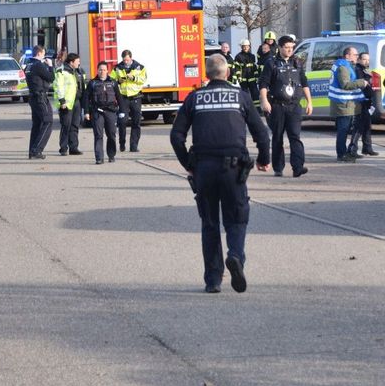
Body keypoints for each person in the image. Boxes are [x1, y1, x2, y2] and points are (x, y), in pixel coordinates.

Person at [170, 53, 270, 293]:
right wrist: (264, 160)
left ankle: (213, 280)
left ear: (206, 74)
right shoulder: (241, 97)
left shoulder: (194, 98)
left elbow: (176, 135)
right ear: (227, 73)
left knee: (210, 223)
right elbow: (262, 133)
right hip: (234, 169)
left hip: (203, 168)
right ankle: (235, 256)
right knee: (236, 218)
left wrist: (188, 164)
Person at [258, 35, 312, 177]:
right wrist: (264, 100)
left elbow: (304, 82)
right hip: (277, 106)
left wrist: (309, 102)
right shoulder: (272, 63)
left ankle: (298, 167)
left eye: (291, 48)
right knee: (277, 137)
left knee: (295, 136)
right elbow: (263, 84)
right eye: (287, 48)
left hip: (294, 106)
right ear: (280, 48)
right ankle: (278, 167)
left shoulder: (297, 63)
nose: (289, 50)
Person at [330, 46, 367, 162]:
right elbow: (345, 85)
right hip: (343, 103)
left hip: (346, 103)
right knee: (343, 130)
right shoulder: (343, 68)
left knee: (345, 129)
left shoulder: (345, 65)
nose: (357, 57)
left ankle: (346, 152)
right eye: (355, 55)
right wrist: (362, 83)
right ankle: (341, 154)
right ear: (347, 56)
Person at [85, 62, 122, 164]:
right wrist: (87, 112)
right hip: (97, 111)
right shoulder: (92, 83)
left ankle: (111, 155)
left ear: (107, 71)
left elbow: (119, 97)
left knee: (111, 134)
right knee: (98, 135)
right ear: (97, 70)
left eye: (104, 70)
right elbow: (86, 98)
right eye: (100, 70)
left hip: (110, 111)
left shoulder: (113, 82)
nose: (102, 72)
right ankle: (99, 158)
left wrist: (122, 111)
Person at [112, 49, 147, 152]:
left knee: (136, 122)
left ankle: (134, 146)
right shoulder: (117, 68)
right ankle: (122, 143)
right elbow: (111, 79)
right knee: (122, 122)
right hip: (123, 98)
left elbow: (143, 79)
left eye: (127, 60)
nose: (125, 62)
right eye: (124, 60)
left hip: (136, 97)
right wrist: (119, 80)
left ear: (131, 58)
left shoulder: (140, 67)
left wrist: (134, 78)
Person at [346, 51, 378, 158]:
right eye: (364, 59)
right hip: (361, 100)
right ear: (359, 59)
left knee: (367, 125)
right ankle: (352, 149)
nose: (367, 61)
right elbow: (361, 85)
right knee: (359, 126)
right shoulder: (358, 70)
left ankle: (367, 148)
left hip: (367, 101)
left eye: (368, 59)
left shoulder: (364, 70)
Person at [26, 45, 55, 160]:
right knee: (48, 121)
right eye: (43, 53)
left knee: (37, 124)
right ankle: (36, 150)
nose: (44, 56)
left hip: (33, 96)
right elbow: (51, 78)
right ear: (39, 53)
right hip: (40, 97)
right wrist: (50, 65)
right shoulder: (38, 65)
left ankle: (32, 150)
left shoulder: (29, 64)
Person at [54, 53, 84, 156]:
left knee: (75, 125)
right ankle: (63, 148)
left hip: (76, 102)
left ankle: (73, 148)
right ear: (71, 62)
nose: (79, 63)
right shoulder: (61, 71)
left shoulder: (78, 71)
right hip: (66, 103)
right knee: (66, 125)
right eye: (77, 61)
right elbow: (58, 86)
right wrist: (62, 101)